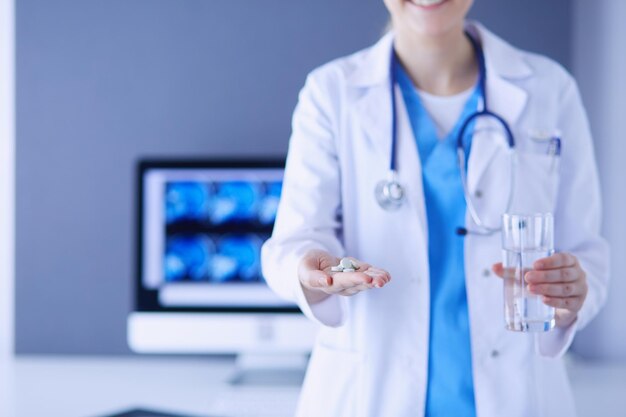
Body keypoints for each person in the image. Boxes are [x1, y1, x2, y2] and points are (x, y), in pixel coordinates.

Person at [261, 1, 610, 416]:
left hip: (518, 393)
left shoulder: (550, 89)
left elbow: (587, 252)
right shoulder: (331, 92)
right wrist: (310, 270)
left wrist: (571, 290)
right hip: (370, 394)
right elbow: (293, 242)